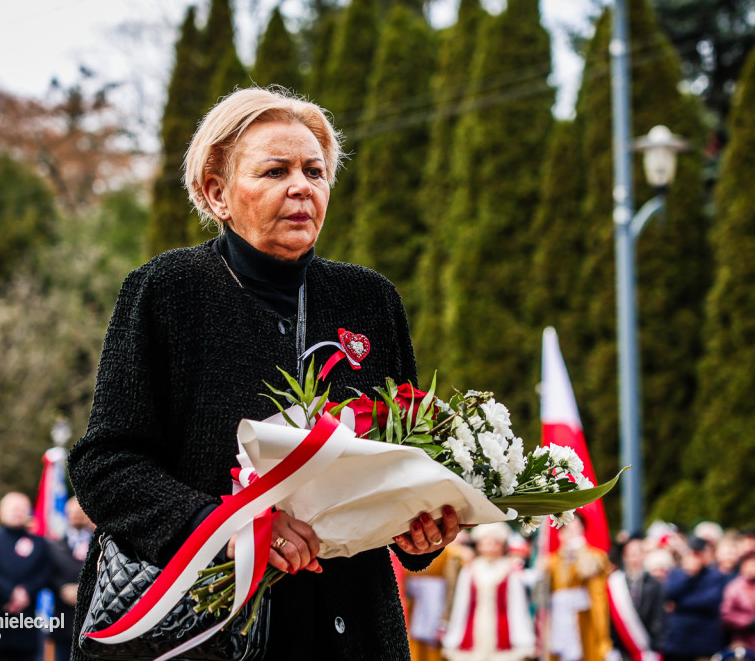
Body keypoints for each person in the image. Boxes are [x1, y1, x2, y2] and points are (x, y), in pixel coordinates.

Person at [68, 87, 461, 661]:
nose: (302, 187)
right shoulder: (166, 291)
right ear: (216, 193)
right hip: (204, 632)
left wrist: (421, 531)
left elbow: (404, 460)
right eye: (276, 171)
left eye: (314, 172)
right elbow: (105, 465)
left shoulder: (371, 300)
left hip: (351, 631)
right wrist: (229, 528)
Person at [442, 524, 534, 661]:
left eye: (494, 542)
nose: (489, 546)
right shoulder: (470, 570)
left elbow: (518, 605)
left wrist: (523, 639)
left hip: (503, 631)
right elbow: (461, 604)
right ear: (479, 545)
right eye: (485, 542)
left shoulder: (509, 570)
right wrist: (453, 636)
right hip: (473, 629)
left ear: (501, 545)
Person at [0, 492, 52, 661]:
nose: (17, 512)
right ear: (2, 511)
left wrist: (25, 592)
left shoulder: (39, 543)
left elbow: (44, 573)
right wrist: (11, 593)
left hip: (26, 623)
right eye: (13, 508)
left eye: (22, 509)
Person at [545, 517, 613, 661]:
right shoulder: (553, 561)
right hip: (559, 621)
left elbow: (587, 571)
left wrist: (579, 548)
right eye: (568, 529)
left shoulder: (596, 556)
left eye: (575, 528)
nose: (572, 533)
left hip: (584, 620)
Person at [663, 536, 727, 661]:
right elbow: (669, 593)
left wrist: (678, 604)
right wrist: (689, 575)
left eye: (698, 554)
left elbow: (709, 601)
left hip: (704, 640)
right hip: (678, 641)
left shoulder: (716, 576)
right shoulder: (676, 574)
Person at [49, 498, 94, 661]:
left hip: (94, 622)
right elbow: (47, 574)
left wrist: (84, 591)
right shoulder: (53, 547)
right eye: (73, 512)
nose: (77, 515)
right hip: (64, 621)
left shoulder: (102, 544)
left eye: (80, 511)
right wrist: (62, 588)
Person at [612, 535, 667, 659]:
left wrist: (656, 647)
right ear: (625, 557)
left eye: (638, 554)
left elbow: (658, 618)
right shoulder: (615, 583)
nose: (634, 559)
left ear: (644, 555)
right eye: (631, 554)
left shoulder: (654, 584)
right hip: (621, 648)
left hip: (646, 647)